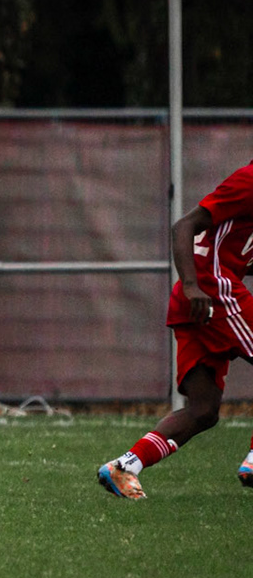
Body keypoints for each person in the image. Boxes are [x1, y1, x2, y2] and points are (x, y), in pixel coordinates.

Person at [99, 156, 253, 498]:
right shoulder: (250, 180)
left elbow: (232, 250)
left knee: (203, 410)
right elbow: (184, 225)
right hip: (209, 289)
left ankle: (125, 467)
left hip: (202, 296)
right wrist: (192, 285)